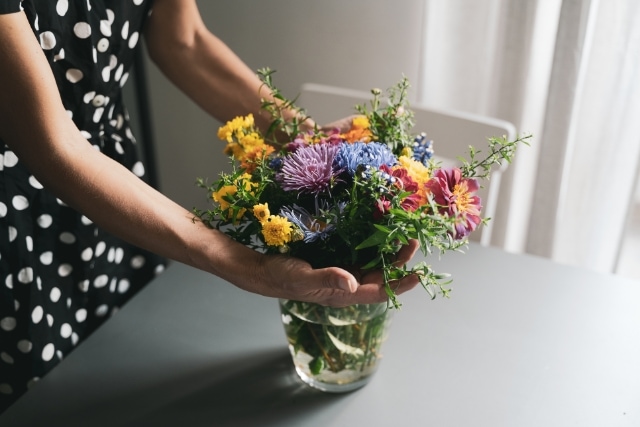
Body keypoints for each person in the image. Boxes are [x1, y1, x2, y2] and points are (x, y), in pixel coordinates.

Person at [0, 0, 419, 412]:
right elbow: (54, 144)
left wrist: (309, 145)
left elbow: (185, 41)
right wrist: (247, 266)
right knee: (38, 398)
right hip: (17, 216)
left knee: (114, 378)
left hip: (116, 184)